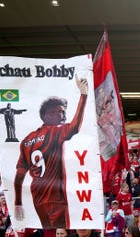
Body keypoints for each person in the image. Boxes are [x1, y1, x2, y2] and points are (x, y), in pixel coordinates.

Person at [13, 76, 89, 228]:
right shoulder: (56, 131)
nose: (62, 115)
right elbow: (75, 126)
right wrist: (83, 95)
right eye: (57, 112)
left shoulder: (27, 140)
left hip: (37, 196)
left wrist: (18, 202)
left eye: (62, 112)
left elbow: (19, 175)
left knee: (50, 234)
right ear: (46, 115)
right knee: (62, 236)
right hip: (55, 196)